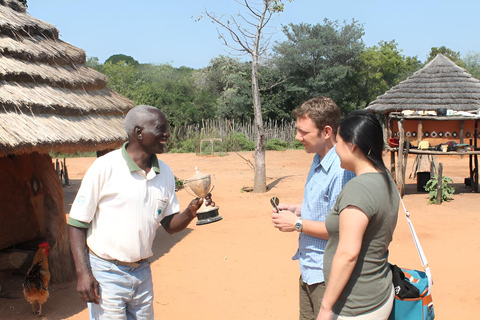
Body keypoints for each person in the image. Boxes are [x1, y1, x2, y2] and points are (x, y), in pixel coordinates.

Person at [68, 105, 214, 320]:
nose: (167, 134)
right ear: (139, 133)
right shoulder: (104, 167)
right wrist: (83, 274)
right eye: (161, 129)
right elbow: (77, 224)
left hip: (142, 271)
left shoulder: (164, 172)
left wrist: (190, 212)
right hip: (106, 273)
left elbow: (169, 224)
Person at [271, 97, 354, 320]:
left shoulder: (340, 170)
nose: (298, 137)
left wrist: (297, 224)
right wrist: (298, 209)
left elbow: (341, 229)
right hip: (309, 268)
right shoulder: (318, 158)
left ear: (326, 132)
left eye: (303, 132)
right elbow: (326, 208)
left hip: (326, 275)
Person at [317, 111, 399, 320]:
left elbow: (348, 254)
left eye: (339, 141)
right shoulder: (385, 179)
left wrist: (326, 307)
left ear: (352, 145)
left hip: (356, 306)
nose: (335, 148)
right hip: (379, 292)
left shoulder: (358, 189)